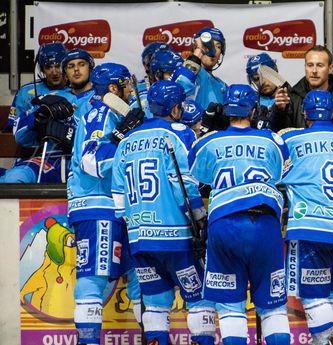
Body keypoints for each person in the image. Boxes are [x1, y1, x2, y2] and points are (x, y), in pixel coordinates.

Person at [112, 80, 216, 345]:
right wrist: (199, 216)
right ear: (175, 109)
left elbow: (118, 199)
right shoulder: (180, 133)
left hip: (140, 239)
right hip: (176, 237)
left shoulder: (127, 141)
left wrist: (135, 226)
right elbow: (185, 183)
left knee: (156, 304)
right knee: (200, 298)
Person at [189, 84, 292, 345]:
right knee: (273, 308)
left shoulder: (209, 142)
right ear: (254, 109)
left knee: (230, 306)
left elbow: (198, 175)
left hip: (225, 224)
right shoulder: (272, 139)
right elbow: (282, 173)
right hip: (265, 224)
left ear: (226, 109)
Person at [279, 90, 333, 344]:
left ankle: (324, 341)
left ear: (305, 113)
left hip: (311, 227)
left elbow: (277, 175)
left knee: (314, 296)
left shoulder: (291, 139)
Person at [68, 63, 143, 345]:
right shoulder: (101, 112)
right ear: (113, 89)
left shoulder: (118, 112)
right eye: (126, 84)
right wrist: (120, 137)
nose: (131, 89)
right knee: (94, 278)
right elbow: (92, 161)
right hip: (97, 205)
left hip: (121, 207)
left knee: (139, 280)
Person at [1, 42, 75, 183]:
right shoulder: (25, 92)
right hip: (32, 155)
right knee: (14, 178)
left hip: (66, 156)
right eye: (48, 67)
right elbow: (13, 130)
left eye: (58, 65)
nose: (54, 71)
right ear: (41, 69)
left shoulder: (77, 91)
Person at [273, 45, 333, 140]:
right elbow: (279, 139)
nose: (314, 71)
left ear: (330, 68)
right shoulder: (291, 99)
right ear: (305, 67)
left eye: (320, 65)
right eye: (310, 65)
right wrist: (279, 112)